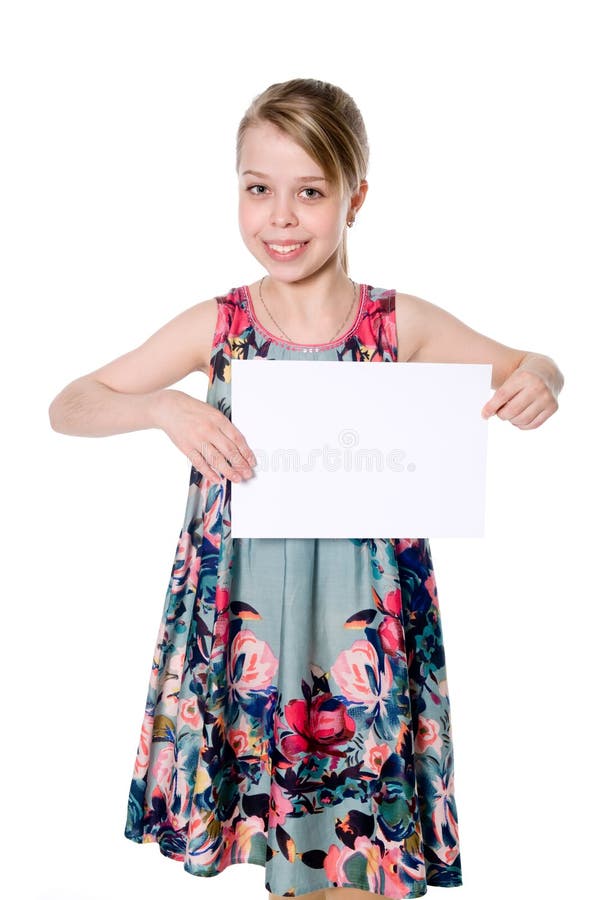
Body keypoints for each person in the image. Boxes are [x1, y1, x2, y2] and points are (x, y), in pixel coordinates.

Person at [48, 78, 564, 900]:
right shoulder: (219, 326)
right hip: (245, 626)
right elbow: (69, 403)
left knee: (355, 871)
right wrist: (162, 407)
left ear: (355, 198)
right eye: (258, 189)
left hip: (365, 634)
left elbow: (530, 362)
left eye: (310, 192)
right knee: (290, 877)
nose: (280, 218)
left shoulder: (399, 324)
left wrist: (540, 380)